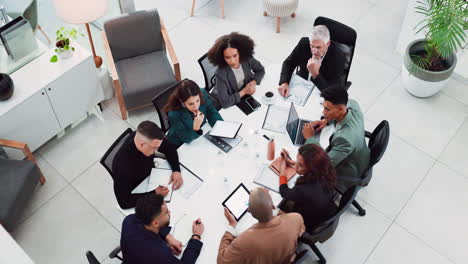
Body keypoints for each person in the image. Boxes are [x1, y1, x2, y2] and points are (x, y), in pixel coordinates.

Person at [301, 86, 370, 192]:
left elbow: (323, 164)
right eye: (323, 107)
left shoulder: (345, 139)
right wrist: (326, 121)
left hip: (350, 170)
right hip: (361, 153)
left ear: (340, 109)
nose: (323, 113)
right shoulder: (353, 105)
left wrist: (310, 138)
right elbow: (344, 112)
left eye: (327, 109)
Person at [217, 187, 305, 264]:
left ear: (249, 211)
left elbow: (222, 261)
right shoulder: (296, 218)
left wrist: (231, 226)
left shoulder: (245, 241)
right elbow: (301, 230)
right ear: (273, 206)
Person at [112, 121, 183, 209]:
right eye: (155, 148)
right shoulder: (123, 166)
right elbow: (124, 202)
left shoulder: (149, 139)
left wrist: (176, 170)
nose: (157, 150)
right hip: (139, 189)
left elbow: (169, 147)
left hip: (152, 176)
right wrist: (154, 194)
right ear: (142, 144)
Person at [121, 193, 205, 264]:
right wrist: (196, 236)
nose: (169, 212)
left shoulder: (129, 220)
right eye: (166, 212)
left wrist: (168, 237)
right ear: (156, 223)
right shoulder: (160, 255)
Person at [278, 144, 338, 232]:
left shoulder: (304, 190)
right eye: (297, 161)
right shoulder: (326, 171)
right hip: (326, 212)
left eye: (300, 165)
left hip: (307, 223)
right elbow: (307, 167)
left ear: (312, 169)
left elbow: (284, 191)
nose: (296, 167)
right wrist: (290, 162)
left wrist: (282, 169)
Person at [278, 25, 345, 96]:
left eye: (318, 47)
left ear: (327, 43)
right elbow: (289, 63)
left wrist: (315, 74)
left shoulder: (338, 58)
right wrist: (284, 82)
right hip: (301, 85)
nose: (314, 51)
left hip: (320, 92)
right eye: (312, 46)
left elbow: (332, 93)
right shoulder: (304, 43)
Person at [207, 32, 265, 108]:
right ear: (222, 57)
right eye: (228, 57)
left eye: (235, 56)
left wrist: (253, 83)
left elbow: (260, 70)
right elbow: (225, 102)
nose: (232, 61)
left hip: (241, 95)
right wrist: (244, 91)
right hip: (226, 102)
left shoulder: (247, 59)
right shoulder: (220, 73)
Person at [164, 79, 223, 146]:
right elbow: (186, 138)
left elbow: (211, 112)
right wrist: (196, 128)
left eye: (197, 101)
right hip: (181, 143)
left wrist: (220, 126)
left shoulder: (202, 93)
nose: (196, 107)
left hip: (198, 136)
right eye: (191, 104)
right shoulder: (173, 114)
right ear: (182, 102)